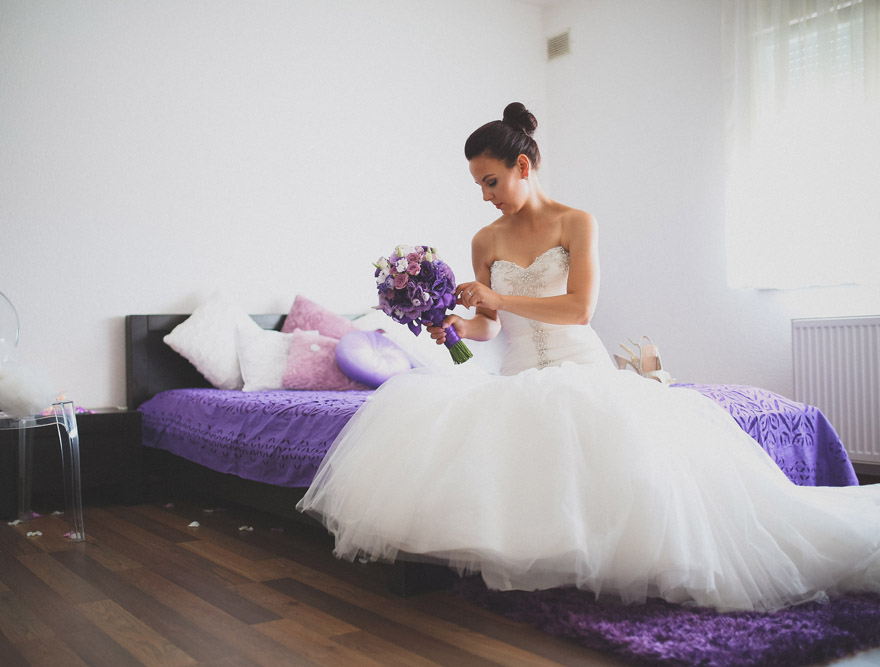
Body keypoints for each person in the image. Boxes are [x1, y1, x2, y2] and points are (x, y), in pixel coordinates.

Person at [296, 103, 880, 612]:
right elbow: (488, 326)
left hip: (581, 367)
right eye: (478, 186)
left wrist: (499, 297)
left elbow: (579, 309)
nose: (486, 195)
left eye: (492, 181)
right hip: (518, 374)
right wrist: (455, 328)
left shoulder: (576, 223)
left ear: (523, 166)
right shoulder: (485, 240)